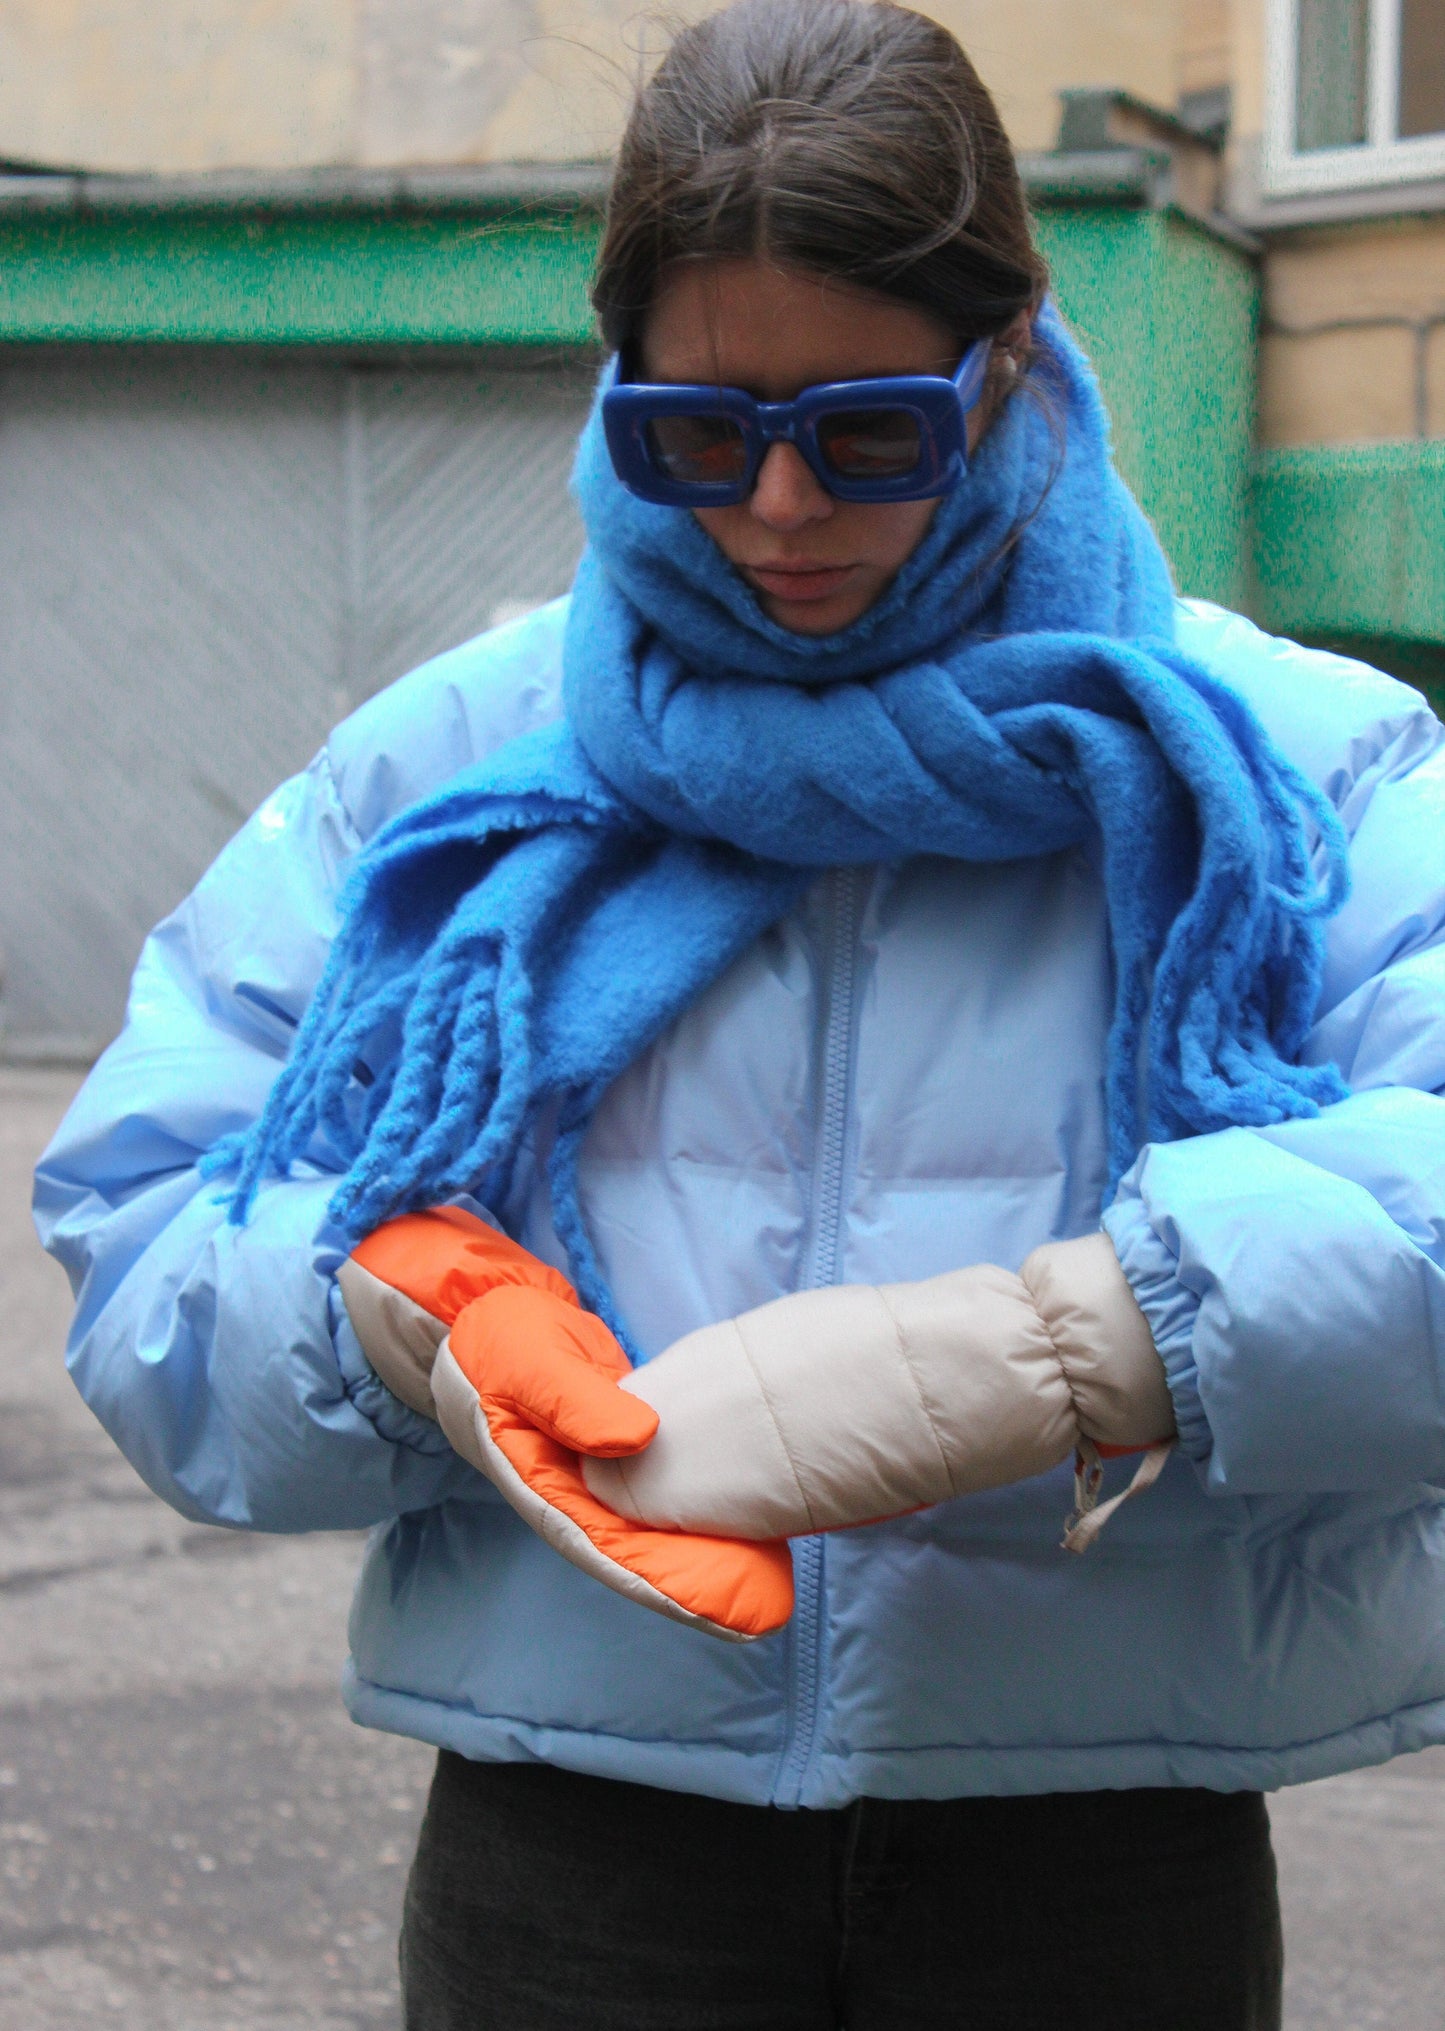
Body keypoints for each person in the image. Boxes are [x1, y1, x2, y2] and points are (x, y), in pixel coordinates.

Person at [33, 1, 1445, 2025]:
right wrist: (396, 1318)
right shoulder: (454, 764)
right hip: (577, 1855)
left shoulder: (1289, 765)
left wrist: (1085, 1344)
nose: (777, 508)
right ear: (614, 384)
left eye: (868, 435)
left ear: (1007, 360)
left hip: (1097, 1848)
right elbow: (151, 1215)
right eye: (692, 438)